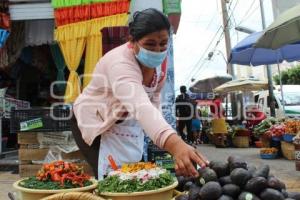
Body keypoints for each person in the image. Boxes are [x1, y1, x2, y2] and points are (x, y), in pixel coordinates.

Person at [71, 8, 208, 179]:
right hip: (97, 122)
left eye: (163, 43)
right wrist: (175, 145)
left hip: (126, 122)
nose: (158, 50)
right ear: (132, 41)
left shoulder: (161, 65)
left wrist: (164, 139)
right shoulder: (119, 63)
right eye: (150, 44)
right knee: (111, 179)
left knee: (134, 176)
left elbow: (153, 104)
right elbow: (141, 107)